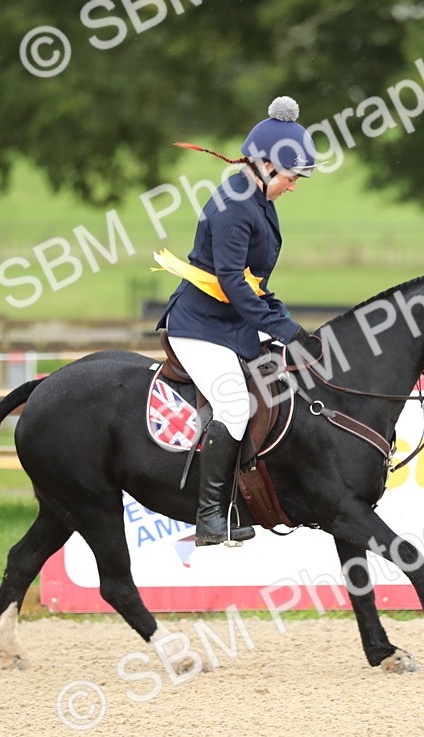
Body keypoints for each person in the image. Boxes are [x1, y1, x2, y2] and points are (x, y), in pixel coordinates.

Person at [156, 96, 320, 545]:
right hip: (201, 327)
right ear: (267, 166)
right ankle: (210, 515)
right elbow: (231, 280)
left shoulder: (256, 199)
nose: (293, 185)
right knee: (233, 404)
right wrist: (284, 329)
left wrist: (287, 323)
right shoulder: (234, 205)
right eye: (291, 177)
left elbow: (255, 281)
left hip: (232, 323)